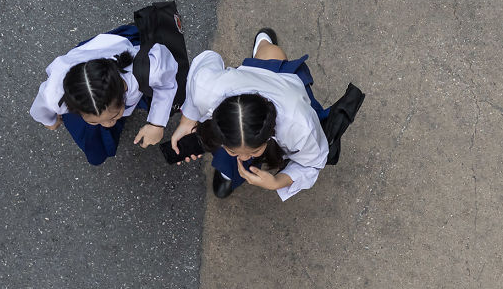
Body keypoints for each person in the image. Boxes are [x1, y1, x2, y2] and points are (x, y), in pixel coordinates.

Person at [169, 29, 328, 201]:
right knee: (240, 150)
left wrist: (277, 182)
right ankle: (231, 167)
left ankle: (264, 45)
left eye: (255, 150)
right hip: (246, 84)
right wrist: (187, 121)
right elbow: (206, 60)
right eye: (232, 150)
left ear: (269, 130)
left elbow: (313, 162)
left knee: (271, 54)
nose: (244, 158)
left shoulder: (300, 126)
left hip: (281, 83)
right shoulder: (206, 89)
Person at [29, 25, 178, 165]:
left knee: (174, 101)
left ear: (122, 90)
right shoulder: (55, 95)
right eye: (94, 121)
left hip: (116, 49)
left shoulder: (146, 70)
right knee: (96, 153)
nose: (108, 124)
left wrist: (157, 123)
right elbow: (40, 108)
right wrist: (49, 120)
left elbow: (167, 80)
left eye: (114, 115)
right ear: (74, 107)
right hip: (93, 58)